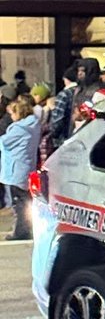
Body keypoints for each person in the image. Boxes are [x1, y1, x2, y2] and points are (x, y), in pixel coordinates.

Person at [0, 96, 42, 240]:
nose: (11, 117)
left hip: (15, 170)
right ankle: (24, 229)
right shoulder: (33, 125)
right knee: (24, 201)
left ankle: (20, 232)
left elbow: (4, 142)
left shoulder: (20, 128)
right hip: (24, 167)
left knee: (19, 204)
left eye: (12, 113)